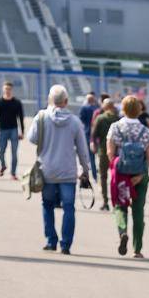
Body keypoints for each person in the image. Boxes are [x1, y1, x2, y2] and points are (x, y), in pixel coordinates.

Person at [27, 85, 92, 255]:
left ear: (50, 100)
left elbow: (32, 138)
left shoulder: (41, 117)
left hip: (46, 170)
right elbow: (82, 150)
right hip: (68, 172)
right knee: (69, 207)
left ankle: (51, 240)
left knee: (47, 204)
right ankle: (66, 245)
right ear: (66, 101)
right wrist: (85, 170)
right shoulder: (75, 122)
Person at [106, 94, 149, 258]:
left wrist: (117, 170)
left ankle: (122, 232)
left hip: (121, 173)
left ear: (124, 109)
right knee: (138, 210)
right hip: (140, 174)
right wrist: (142, 173)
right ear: (139, 110)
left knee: (120, 205)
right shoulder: (145, 131)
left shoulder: (115, 127)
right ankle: (138, 248)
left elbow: (110, 152)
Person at [0, 81, 25, 179]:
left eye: (9, 89)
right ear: (3, 89)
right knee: (1, 151)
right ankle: (3, 166)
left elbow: (21, 117)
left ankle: (13, 173)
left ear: (12, 90)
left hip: (13, 129)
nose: (7, 91)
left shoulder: (17, 102)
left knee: (14, 152)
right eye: (6, 89)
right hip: (2, 129)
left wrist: (22, 131)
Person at [90, 98, 117, 210]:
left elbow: (94, 134)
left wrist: (94, 145)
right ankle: (116, 202)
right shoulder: (118, 119)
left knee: (103, 176)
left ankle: (105, 201)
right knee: (115, 177)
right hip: (116, 152)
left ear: (105, 107)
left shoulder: (100, 118)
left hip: (103, 150)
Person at [78, 92, 98, 178]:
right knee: (94, 156)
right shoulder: (97, 109)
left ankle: (88, 174)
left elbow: (81, 120)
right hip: (96, 134)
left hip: (86, 133)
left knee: (87, 155)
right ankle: (95, 175)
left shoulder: (84, 108)